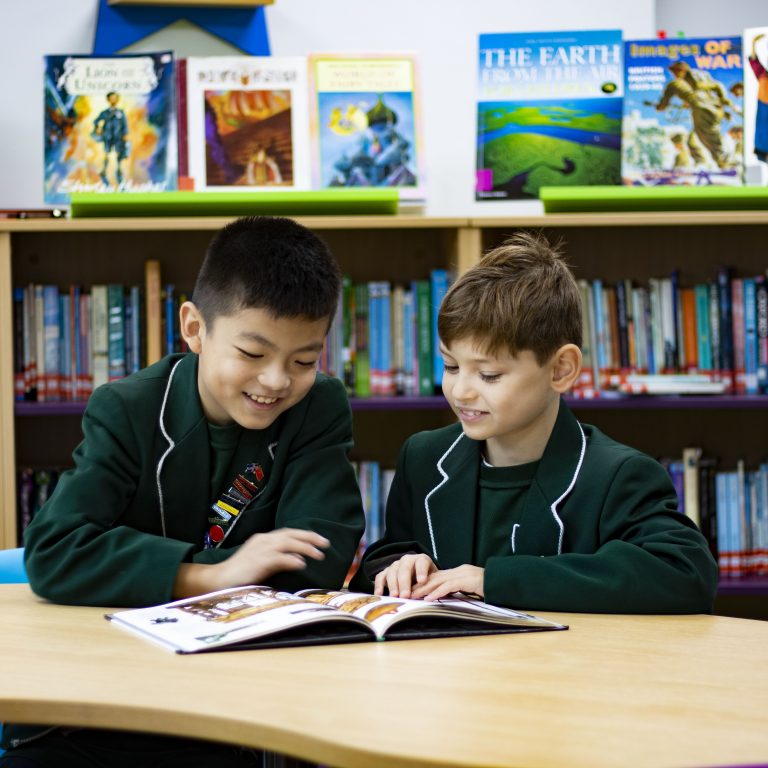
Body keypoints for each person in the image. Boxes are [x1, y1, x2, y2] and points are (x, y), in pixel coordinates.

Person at [0, 216, 366, 767]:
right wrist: (212, 574)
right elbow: (54, 552)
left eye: (304, 361)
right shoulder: (127, 408)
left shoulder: (318, 408)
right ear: (194, 328)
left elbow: (314, 560)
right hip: (93, 711)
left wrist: (139, 565)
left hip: (233, 712)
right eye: (251, 353)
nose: (276, 381)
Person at [350, 231, 718, 614]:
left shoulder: (618, 476)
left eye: (489, 375)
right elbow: (383, 559)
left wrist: (492, 580)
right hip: (452, 667)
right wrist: (402, 566)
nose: (461, 391)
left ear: (561, 369)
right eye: (451, 366)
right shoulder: (424, 457)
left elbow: (685, 572)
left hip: (562, 669)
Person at [92, 91, 129, 187]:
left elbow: (125, 125)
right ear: (108, 100)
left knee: (119, 155)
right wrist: (97, 129)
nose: (113, 100)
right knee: (107, 154)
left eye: (115, 98)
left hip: (118, 137)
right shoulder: (105, 113)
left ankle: (119, 173)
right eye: (111, 98)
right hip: (108, 137)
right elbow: (96, 121)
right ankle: (103, 171)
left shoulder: (121, 112)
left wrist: (125, 135)